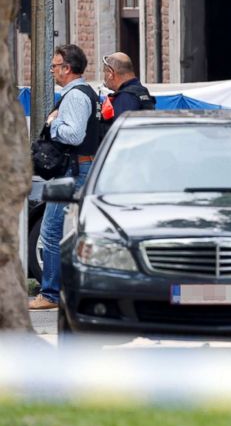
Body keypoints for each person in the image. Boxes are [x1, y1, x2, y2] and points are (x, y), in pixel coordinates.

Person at [30, 44, 100, 310]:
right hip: (79, 168)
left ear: (67, 68)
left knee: (51, 231)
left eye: (54, 66)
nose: (52, 71)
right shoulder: (86, 93)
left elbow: (74, 135)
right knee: (73, 232)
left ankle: (50, 294)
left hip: (72, 172)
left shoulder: (75, 97)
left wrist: (53, 122)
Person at [100, 52, 156, 127]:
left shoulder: (126, 98)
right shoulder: (142, 91)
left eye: (105, 72)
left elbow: (122, 133)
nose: (104, 77)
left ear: (111, 73)